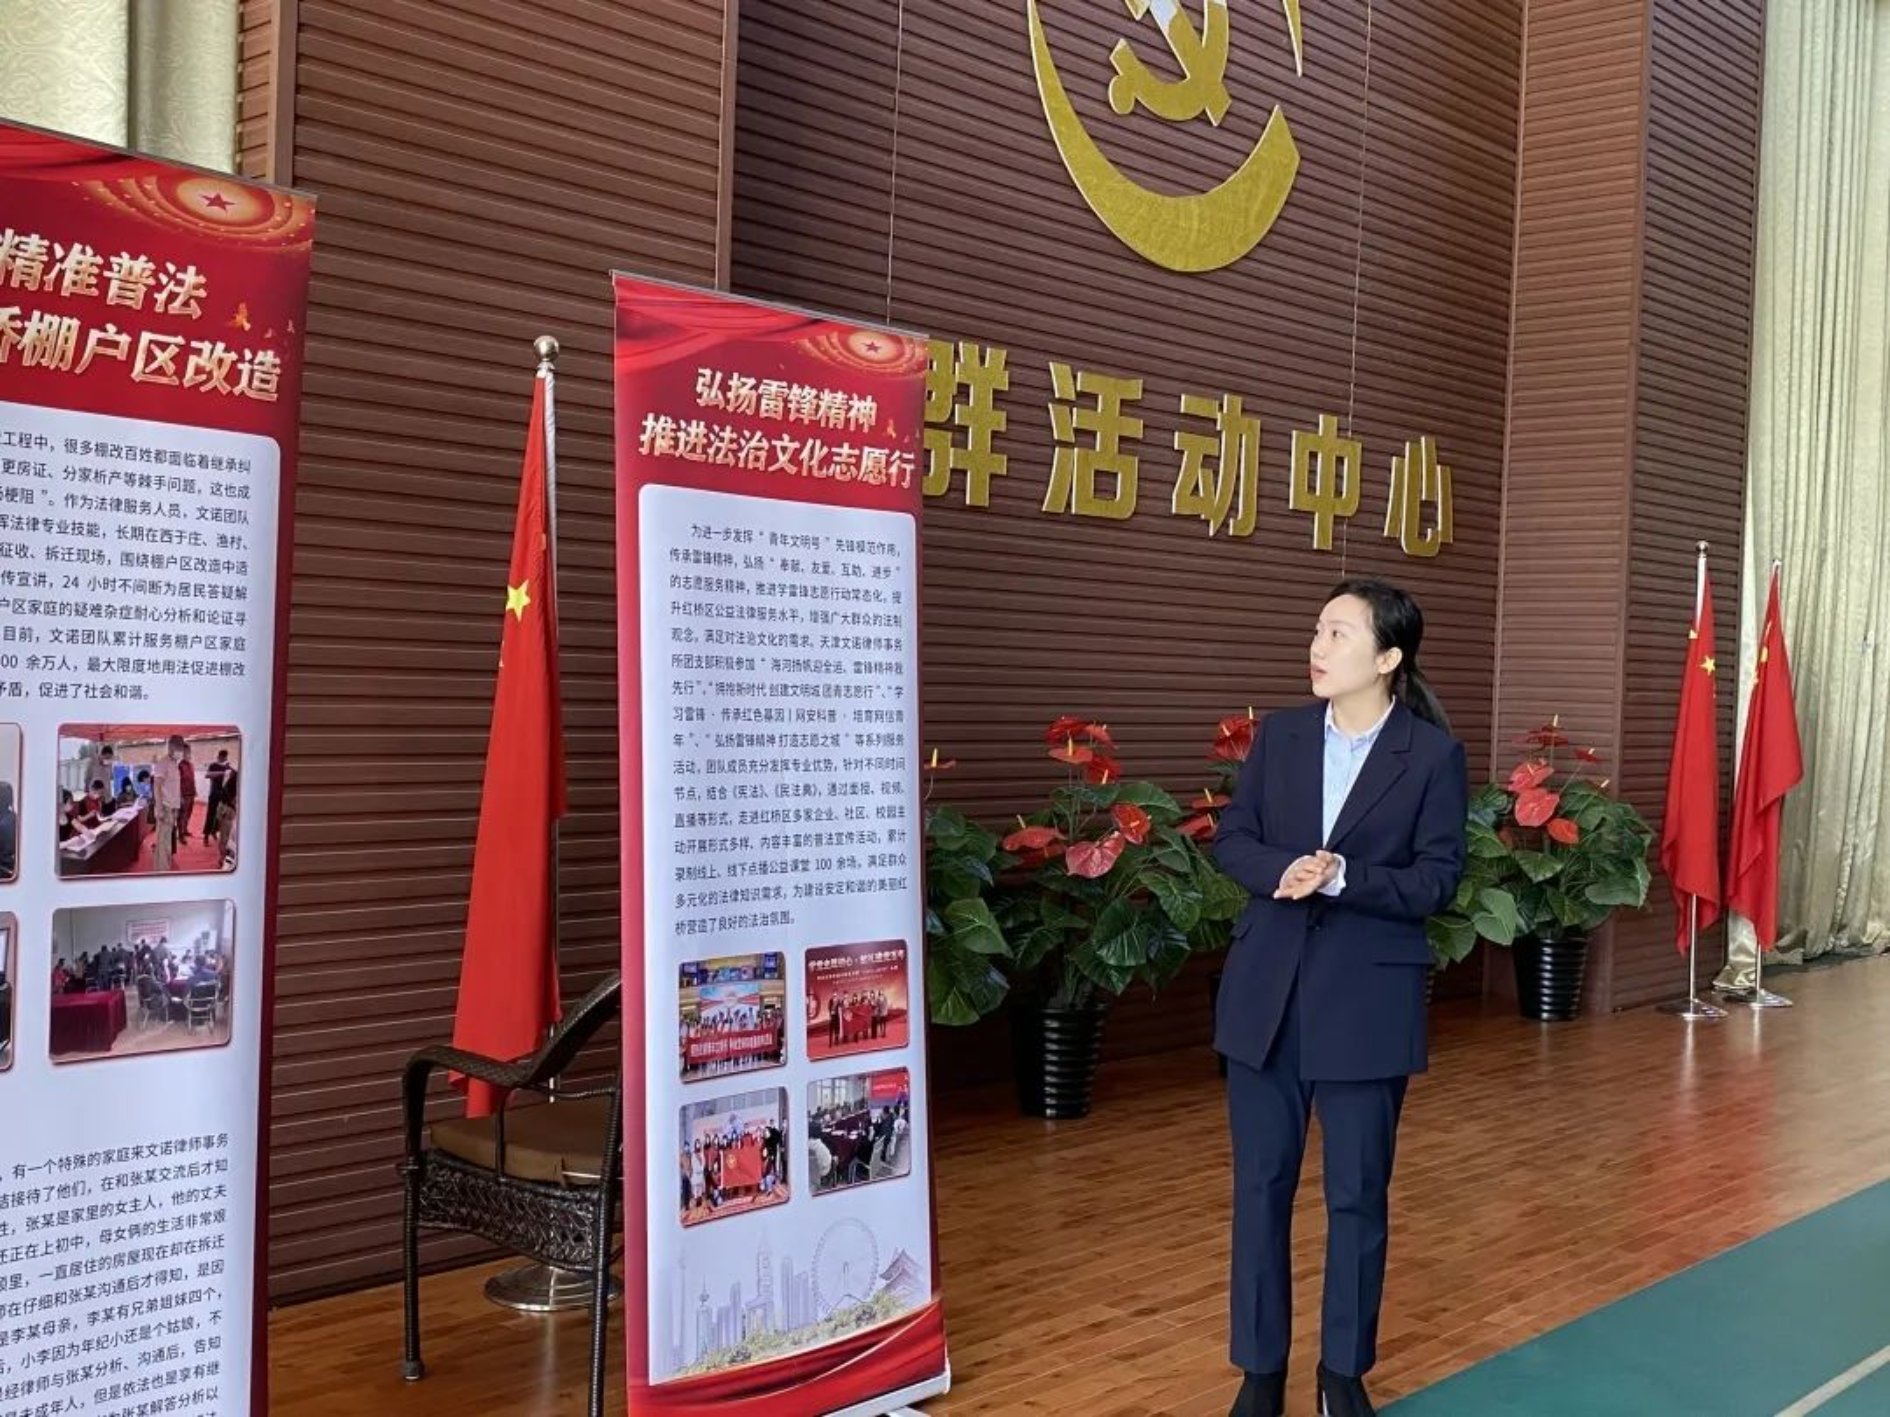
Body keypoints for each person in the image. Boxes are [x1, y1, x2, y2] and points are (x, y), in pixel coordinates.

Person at [1212, 579, 1468, 1417]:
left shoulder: (1430, 756)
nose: (1317, 647)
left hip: (1365, 1005)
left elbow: (1436, 879)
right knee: (1261, 1190)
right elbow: (1233, 837)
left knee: (1357, 1196)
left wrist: (1346, 876)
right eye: (1317, 630)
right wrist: (1279, 869)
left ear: (1388, 658)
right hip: (1266, 998)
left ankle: (1341, 1375)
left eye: (1338, 634)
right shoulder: (1282, 736)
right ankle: (1260, 1375)